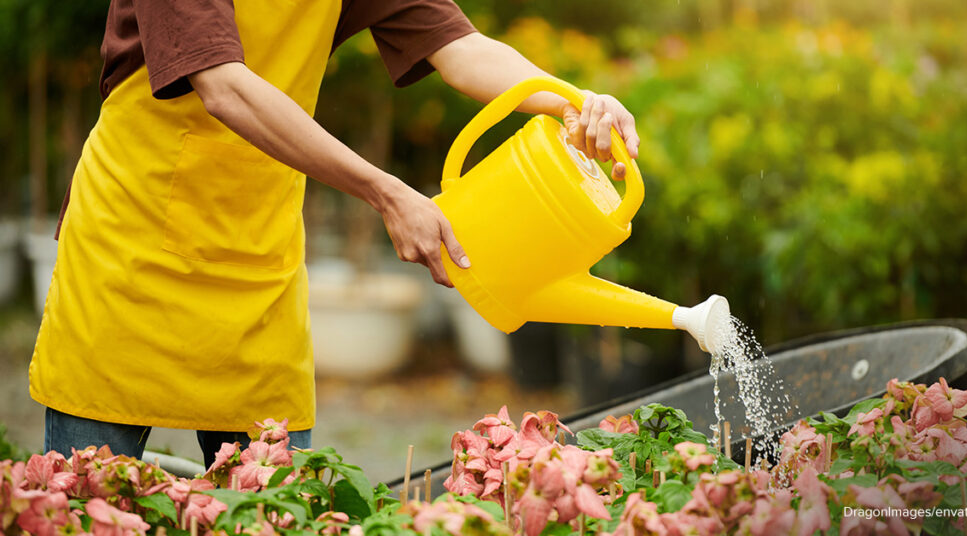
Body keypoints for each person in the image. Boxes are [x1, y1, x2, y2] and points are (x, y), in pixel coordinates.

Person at [30, 0, 640, 468]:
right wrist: (386, 191)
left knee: (277, 506)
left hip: (257, 253)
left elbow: (459, 46)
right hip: (130, 242)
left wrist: (573, 101)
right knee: (84, 500)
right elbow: (221, 85)